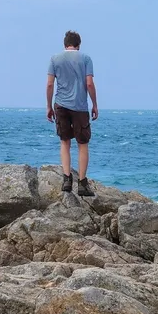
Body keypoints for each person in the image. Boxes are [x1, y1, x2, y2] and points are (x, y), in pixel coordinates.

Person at [46, 30, 99, 196]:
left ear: (65, 44)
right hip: (80, 106)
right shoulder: (86, 59)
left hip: (60, 105)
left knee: (65, 142)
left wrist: (48, 106)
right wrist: (95, 104)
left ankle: (67, 180)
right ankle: (82, 183)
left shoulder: (54, 59)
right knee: (82, 144)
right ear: (78, 45)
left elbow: (49, 85)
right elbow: (89, 84)